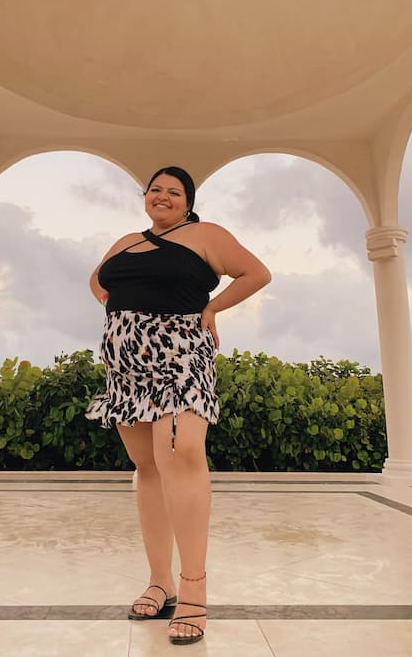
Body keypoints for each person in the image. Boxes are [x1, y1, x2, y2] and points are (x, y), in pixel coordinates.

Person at [86, 166, 271, 646]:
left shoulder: (206, 235)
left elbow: (256, 273)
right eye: (155, 190)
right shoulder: (127, 240)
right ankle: (159, 579)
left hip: (180, 356)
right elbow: (97, 280)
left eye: (174, 192)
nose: (162, 196)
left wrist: (210, 309)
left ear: (187, 203)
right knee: (147, 467)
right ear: (144, 197)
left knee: (183, 456)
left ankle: (194, 590)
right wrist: (119, 310)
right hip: (125, 367)